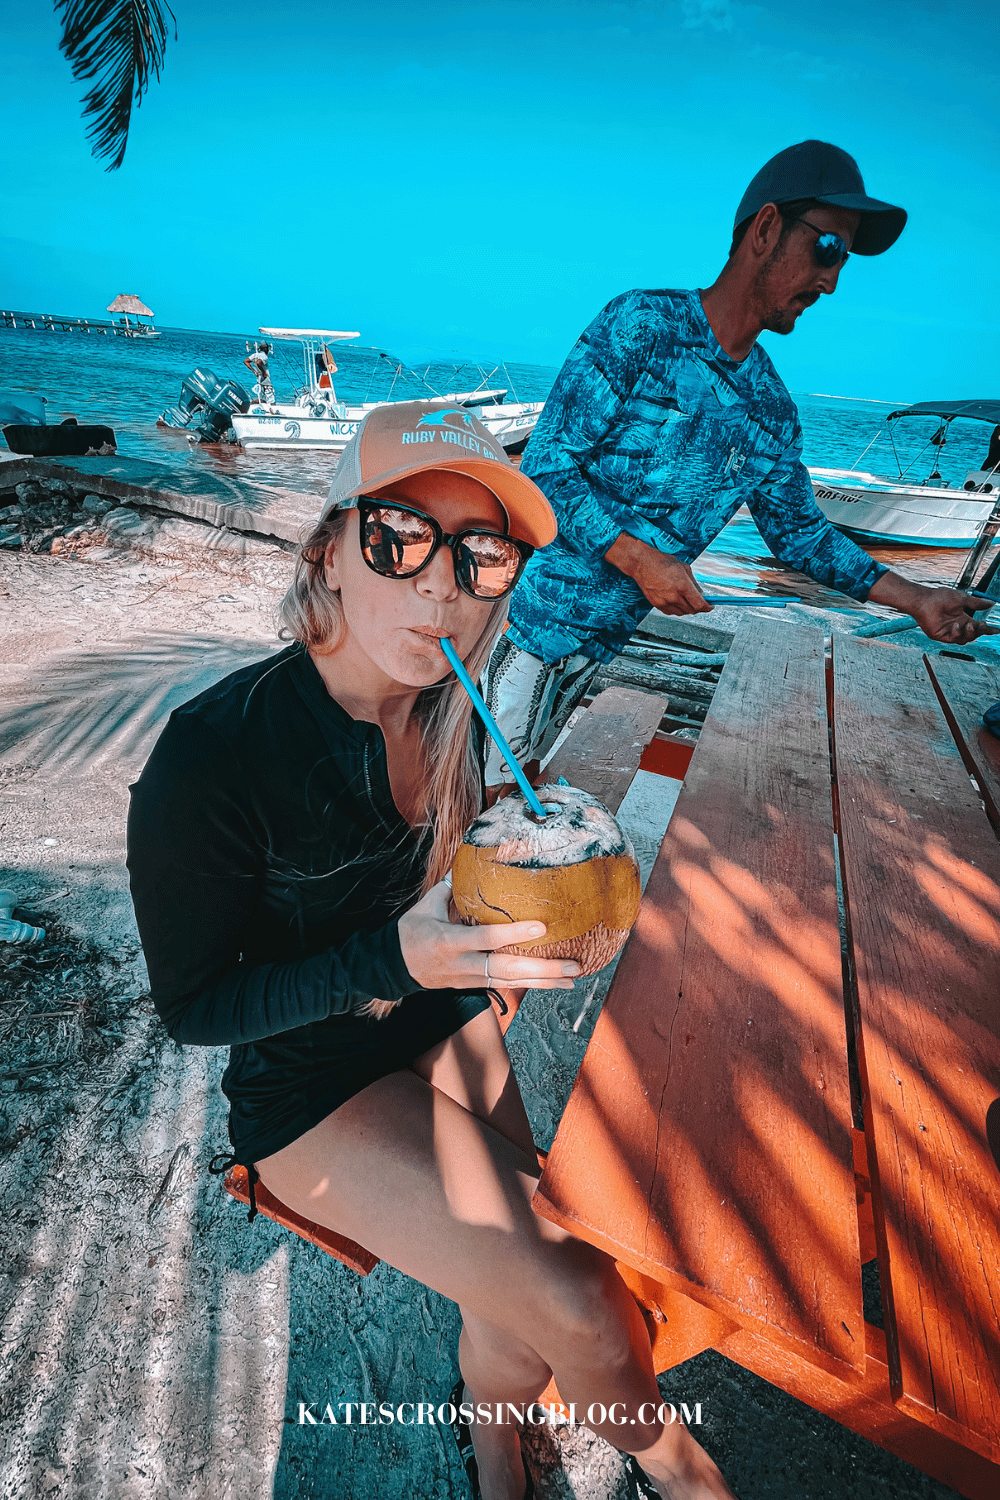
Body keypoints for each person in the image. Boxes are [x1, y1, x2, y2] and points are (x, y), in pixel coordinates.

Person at [126, 400, 738, 1500]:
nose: (439, 587)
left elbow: (461, 882)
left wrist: (543, 858)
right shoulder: (211, 757)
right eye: (398, 539)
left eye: (480, 555)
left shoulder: (454, 708)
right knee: (584, 1301)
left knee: (541, 1282)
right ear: (329, 550)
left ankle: (493, 1444)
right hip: (309, 1085)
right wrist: (394, 962)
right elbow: (195, 1007)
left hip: (440, 1012)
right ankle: (694, 1481)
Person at [483, 140, 998, 789]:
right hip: (519, 630)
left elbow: (801, 537)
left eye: (842, 262)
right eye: (827, 248)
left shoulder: (771, 412)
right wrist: (643, 560)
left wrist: (918, 598)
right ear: (765, 228)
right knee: (474, 810)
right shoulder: (642, 325)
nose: (832, 281)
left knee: (506, 810)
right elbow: (548, 469)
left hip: (597, 652)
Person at [244, 340, 275, 405]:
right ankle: (272, 408)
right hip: (265, 378)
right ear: (265, 349)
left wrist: (254, 371)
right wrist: (263, 372)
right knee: (270, 396)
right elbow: (258, 363)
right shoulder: (264, 356)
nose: (268, 349)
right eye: (267, 348)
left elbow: (246, 361)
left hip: (259, 378)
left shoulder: (255, 355)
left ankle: (255, 405)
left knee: (261, 396)